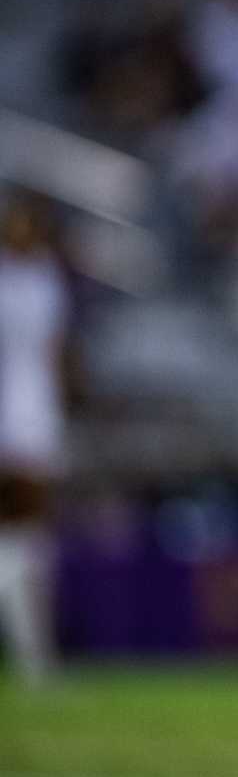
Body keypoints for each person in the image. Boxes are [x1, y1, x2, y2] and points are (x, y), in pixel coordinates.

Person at [0, 190, 73, 687]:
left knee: (29, 534)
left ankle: (32, 652)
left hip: (34, 413)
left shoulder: (46, 278)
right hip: (10, 409)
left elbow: (55, 352)